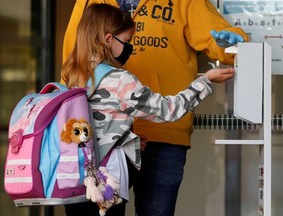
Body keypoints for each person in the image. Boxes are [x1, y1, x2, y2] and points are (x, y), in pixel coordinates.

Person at [62, 1, 248, 216]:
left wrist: (233, 44)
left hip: (149, 140)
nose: (130, 48)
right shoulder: (118, 78)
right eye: (128, 41)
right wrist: (205, 81)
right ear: (108, 39)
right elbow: (167, 110)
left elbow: (221, 42)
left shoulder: (77, 74)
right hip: (120, 147)